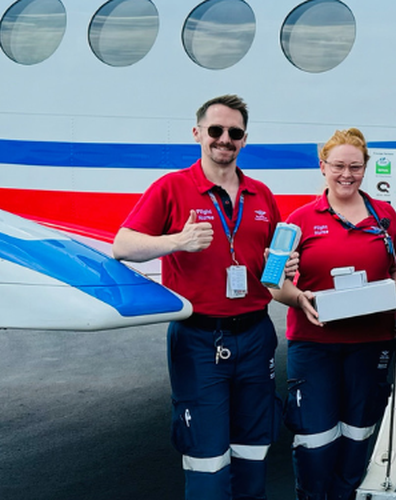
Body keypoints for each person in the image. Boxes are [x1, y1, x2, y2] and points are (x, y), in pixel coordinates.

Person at [113, 94, 294, 500]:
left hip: (255, 335)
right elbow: (122, 245)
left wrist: (289, 273)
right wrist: (177, 241)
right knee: (207, 460)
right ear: (198, 134)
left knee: (253, 452)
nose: (224, 139)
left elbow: (272, 274)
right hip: (198, 339)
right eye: (215, 130)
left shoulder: (261, 195)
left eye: (234, 133)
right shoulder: (172, 187)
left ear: (244, 140)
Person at [269, 128, 396, 500]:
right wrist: (299, 299)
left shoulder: (385, 216)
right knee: (314, 438)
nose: (347, 174)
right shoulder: (298, 220)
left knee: (358, 433)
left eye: (355, 167)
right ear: (322, 167)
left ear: (365, 169)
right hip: (315, 346)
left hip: (371, 343)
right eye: (339, 166)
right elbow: (273, 282)